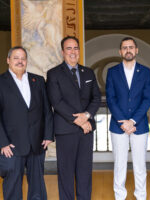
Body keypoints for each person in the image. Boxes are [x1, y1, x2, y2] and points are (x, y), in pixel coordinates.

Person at [0, 46, 53, 200]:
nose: (20, 61)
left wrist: (48, 135)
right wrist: (3, 143)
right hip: (11, 146)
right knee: (12, 187)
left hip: (37, 143)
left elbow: (47, 110)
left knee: (37, 187)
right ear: (8, 60)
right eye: (16, 58)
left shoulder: (38, 81)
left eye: (23, 58)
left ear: (26, 61)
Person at [46, 36, 101, 200]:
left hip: (87, 130)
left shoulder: (88, 72)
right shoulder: (54, 73)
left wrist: (86, 116)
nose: (73, 51)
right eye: (69, 48)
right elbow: (56, 101)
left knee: (85, 171)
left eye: (76, 48)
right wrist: (78, 120)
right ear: (63, 52)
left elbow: (96, 98)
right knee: (66, 172)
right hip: (66, 130)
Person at [106, 37, 150, 200]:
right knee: (120, 165)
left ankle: (141, 196)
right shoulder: (112, 72)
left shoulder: (145, 71)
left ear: (136, 50)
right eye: (125, 47)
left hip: (138, 126)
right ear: (120, 52)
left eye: (131, 47)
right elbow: (110, 99)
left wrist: (132, 121)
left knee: (140, 165)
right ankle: (120, 196)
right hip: (118, 126)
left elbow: (147, 99)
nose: (128, 50)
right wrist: (123, 122)